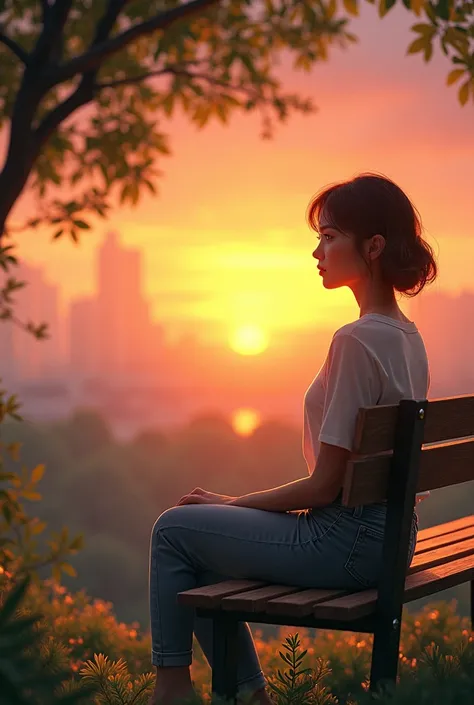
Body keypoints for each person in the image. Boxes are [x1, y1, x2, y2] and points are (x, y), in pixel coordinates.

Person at [147, 172, 438, 705]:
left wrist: (232, 502)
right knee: (204, 552)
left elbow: (323, 488)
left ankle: (170, 690)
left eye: (329, 237)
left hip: (346, 545)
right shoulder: (408, 336)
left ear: (372, 247)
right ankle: (248, 697)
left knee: (173, 529)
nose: (317, 251)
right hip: (392, 541)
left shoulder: (355, 340)